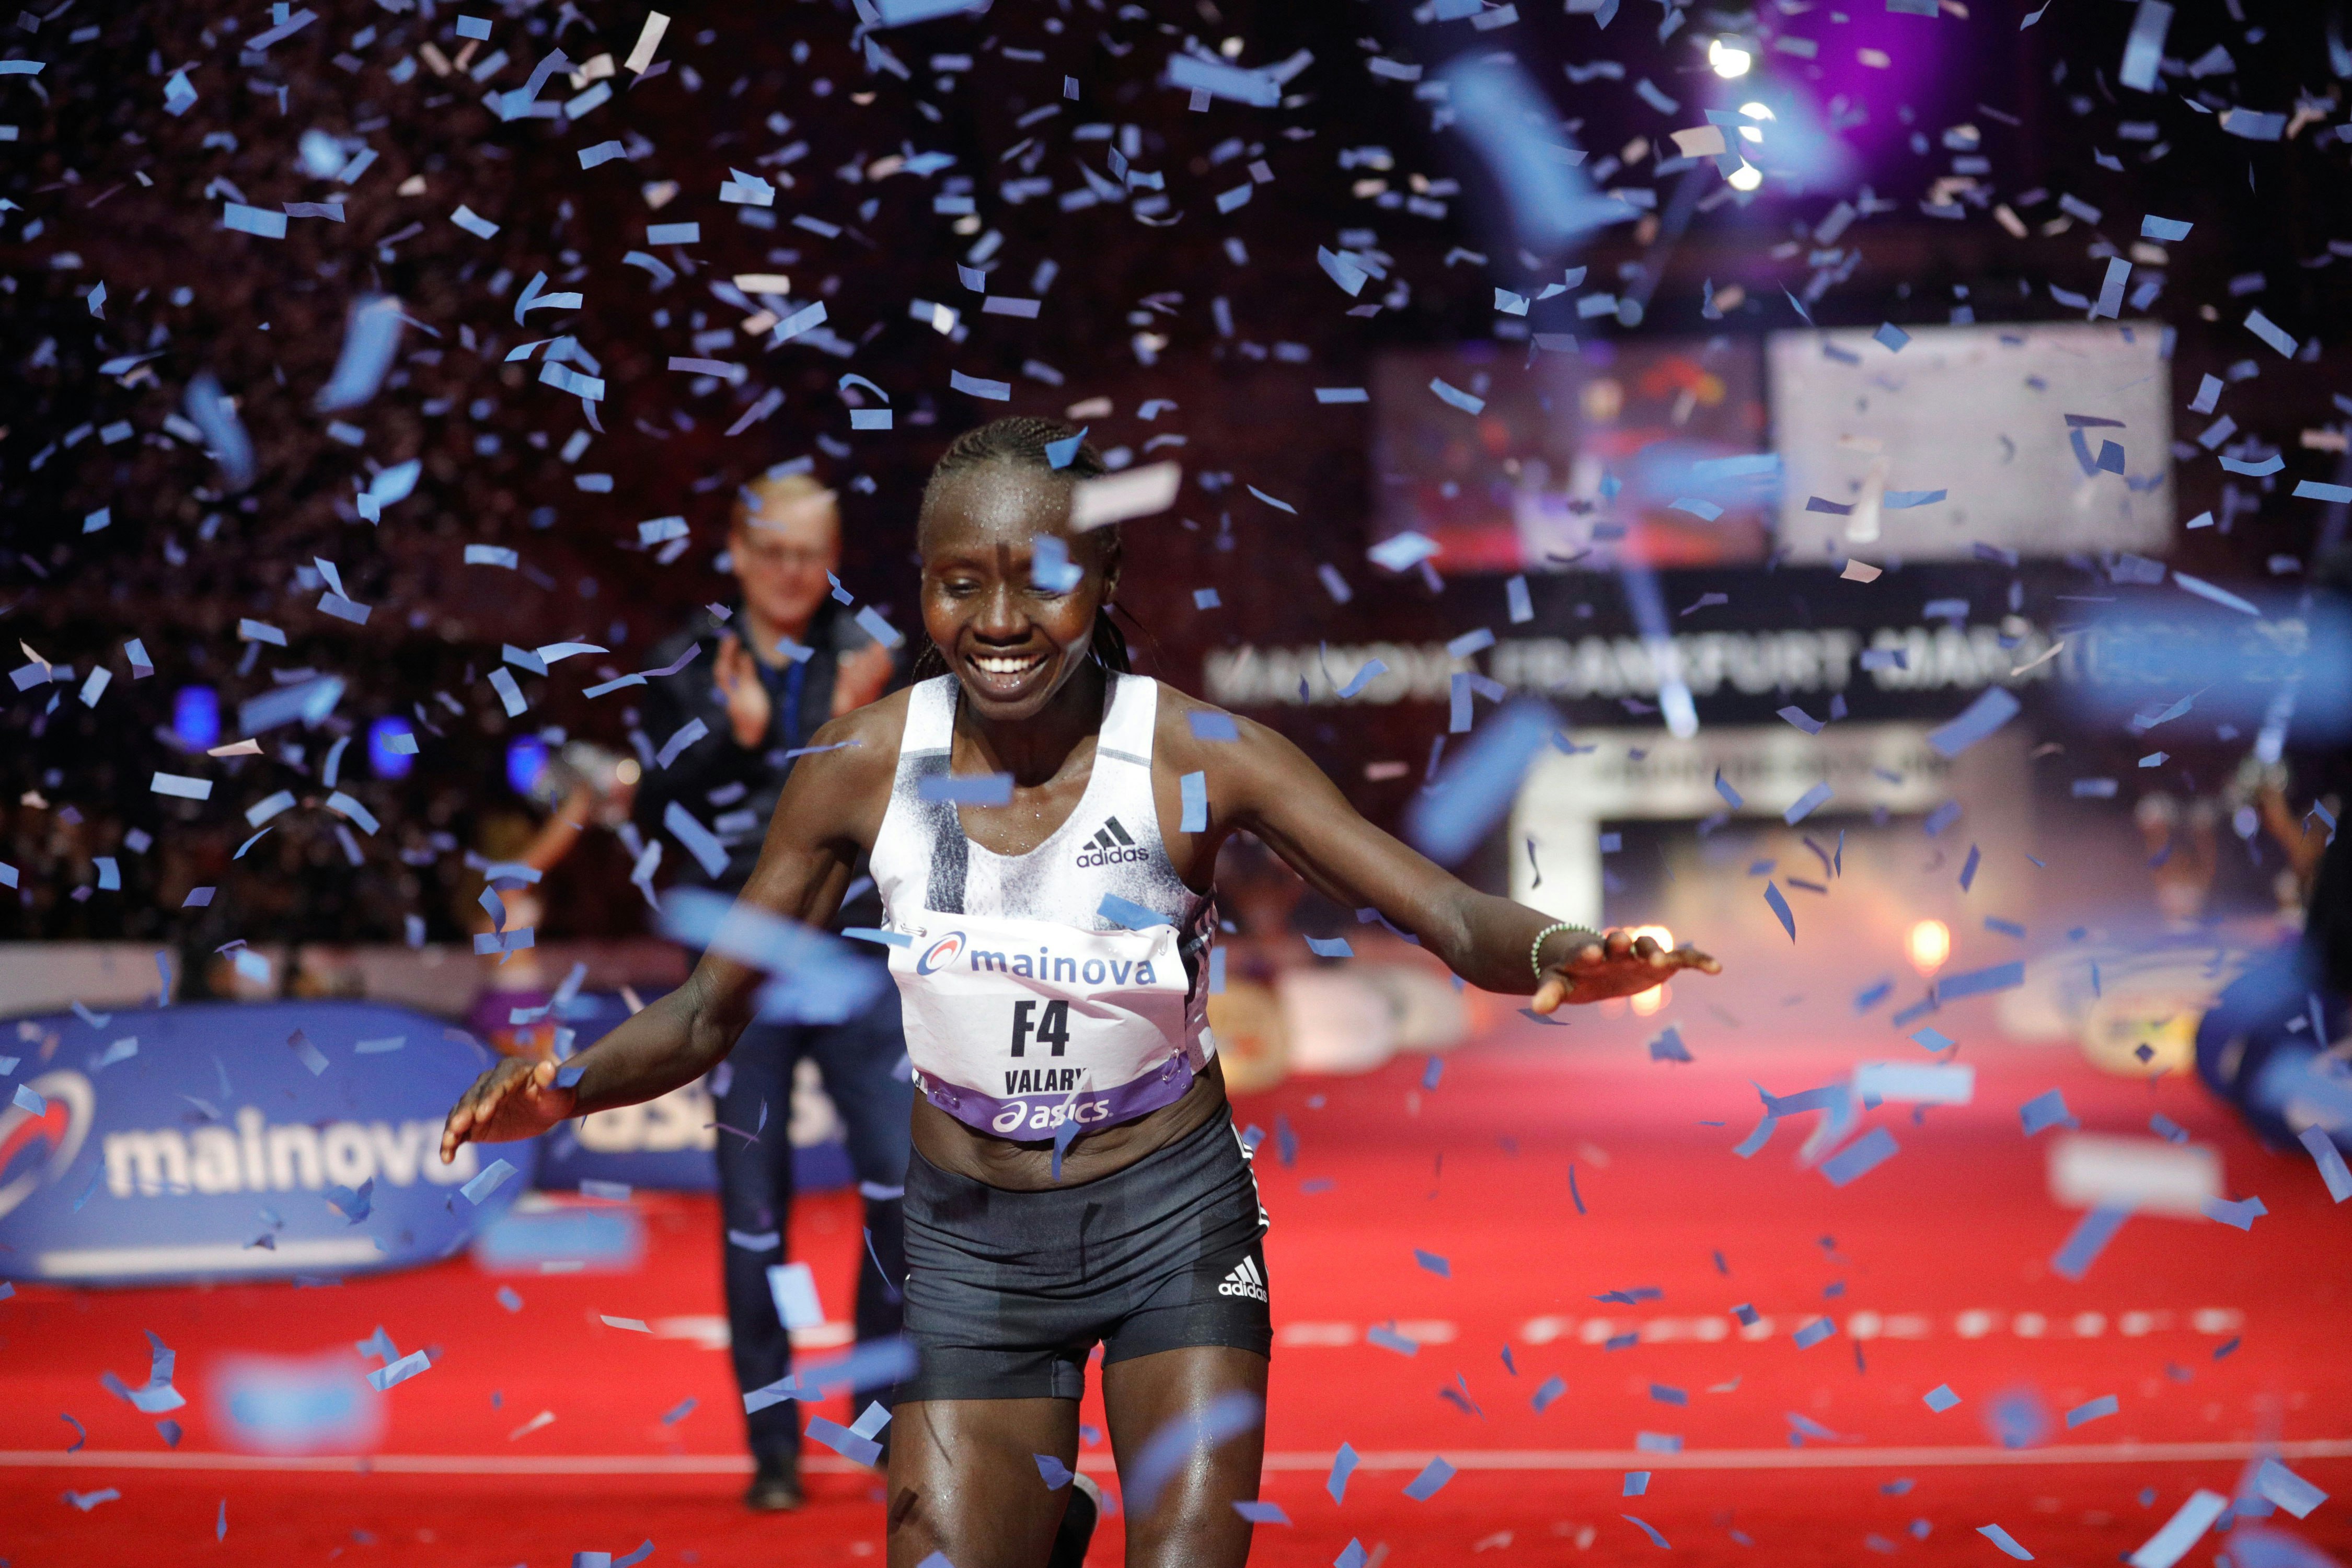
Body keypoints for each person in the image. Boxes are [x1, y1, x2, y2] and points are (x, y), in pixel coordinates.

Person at [443, 418, 1719, 1568]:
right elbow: (711, 1012)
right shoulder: (857, 770)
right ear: (924, 594)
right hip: (971, 1241)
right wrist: (565, 1088)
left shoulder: (1196, 757)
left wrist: (1557, 952)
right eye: (962, 585)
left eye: (1043, 580)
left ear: (1104, 583)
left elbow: (1444, 913)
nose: (1001, 621)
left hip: (1173, 1221)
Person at [632, 471, 907, 1512]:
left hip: (858, 961)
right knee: (755, 1216)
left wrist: (853, 726)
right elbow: (653, 806)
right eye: (778, 554)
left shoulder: (874, 650)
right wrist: (730, 735)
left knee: (897, 1193)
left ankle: (880, 1424)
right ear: (740, 553)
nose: (797, 575)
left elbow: (927, 792)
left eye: (814, 555)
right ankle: (775, 1448)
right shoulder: (683, 661)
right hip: (736, 971)